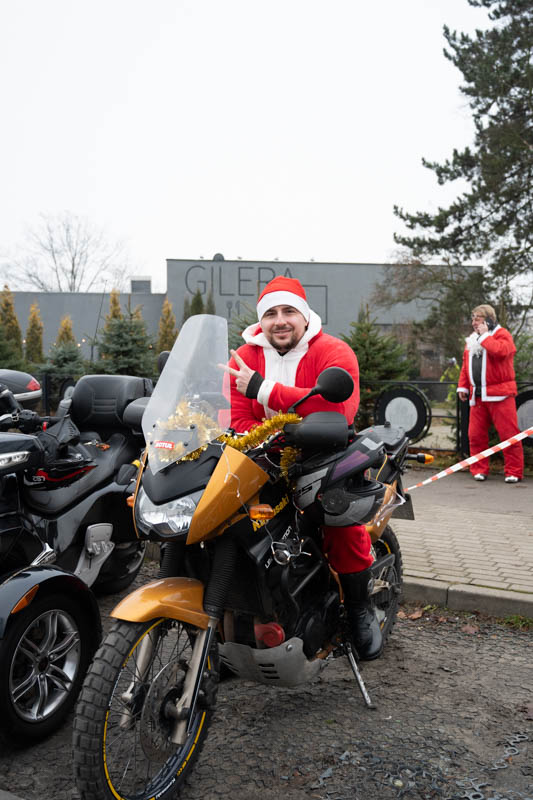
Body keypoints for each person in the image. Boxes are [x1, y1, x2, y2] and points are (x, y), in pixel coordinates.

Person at [221, 276, 382, 660]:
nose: (280, 321)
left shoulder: (333, 352)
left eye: (288, 311)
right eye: (271, 313)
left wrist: (263, 389)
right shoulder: (245, 356)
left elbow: (336, 411)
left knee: (340, 523)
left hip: (325, 456)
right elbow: (237, 418)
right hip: (260, 461)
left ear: (305, 316)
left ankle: (360, 608)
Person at [457, 304, 523, 483]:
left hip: (501, 395)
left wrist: (485, 336)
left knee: (509, 435)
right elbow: (466, 366)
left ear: (488, 319)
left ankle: (514, 472)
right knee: (475, 436)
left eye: (477, 318)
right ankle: (479, 469)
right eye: (473, 318)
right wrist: (463, 386)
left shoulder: (503, 335)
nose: (473, 322)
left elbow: (501, 352)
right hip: (477, 396)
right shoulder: (471, 339)